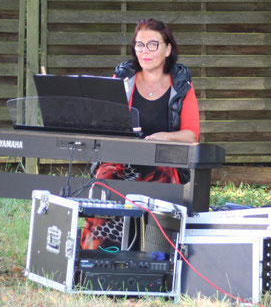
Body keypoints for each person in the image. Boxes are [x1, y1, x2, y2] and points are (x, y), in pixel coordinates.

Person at [80, 18, 200, 250]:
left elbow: (191, 135)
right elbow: (104, 125)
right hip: (123, 159)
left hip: (163, 160)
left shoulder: (183, 85)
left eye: (153, 45)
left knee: (164, 176)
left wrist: (163, 136)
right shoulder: (123, 80)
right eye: (139, 45)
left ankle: (159, 251)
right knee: (106, 176)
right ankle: (98, 254)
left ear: (167, 49)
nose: (145, 51)